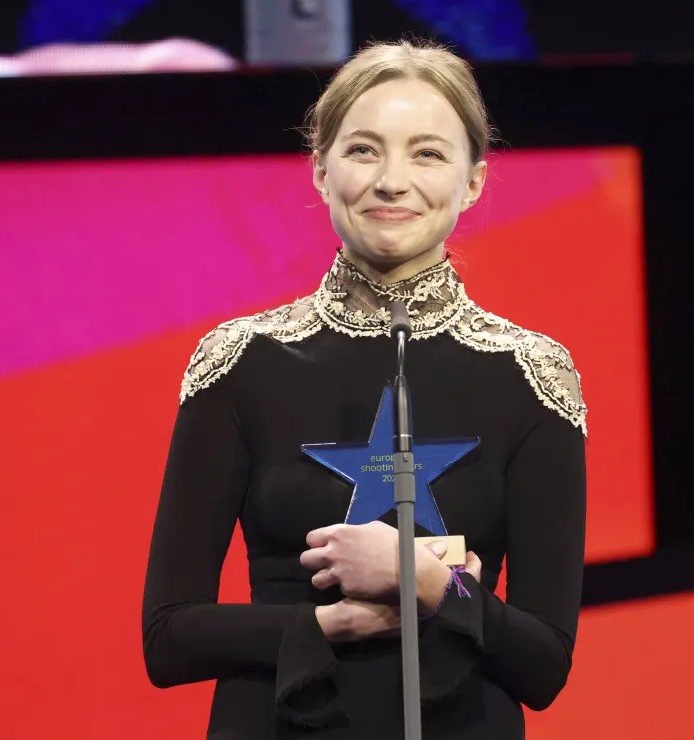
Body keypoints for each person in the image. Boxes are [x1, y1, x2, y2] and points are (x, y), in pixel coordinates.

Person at [142, 38, 586, 739]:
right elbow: (168, 640)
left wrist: (428, 581)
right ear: (320, 170)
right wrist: (323, 625)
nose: (391, 180)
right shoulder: (239, 360)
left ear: (473, 181)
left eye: (428, 153)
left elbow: (546, 664)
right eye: (363, 150)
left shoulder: (533, 375)